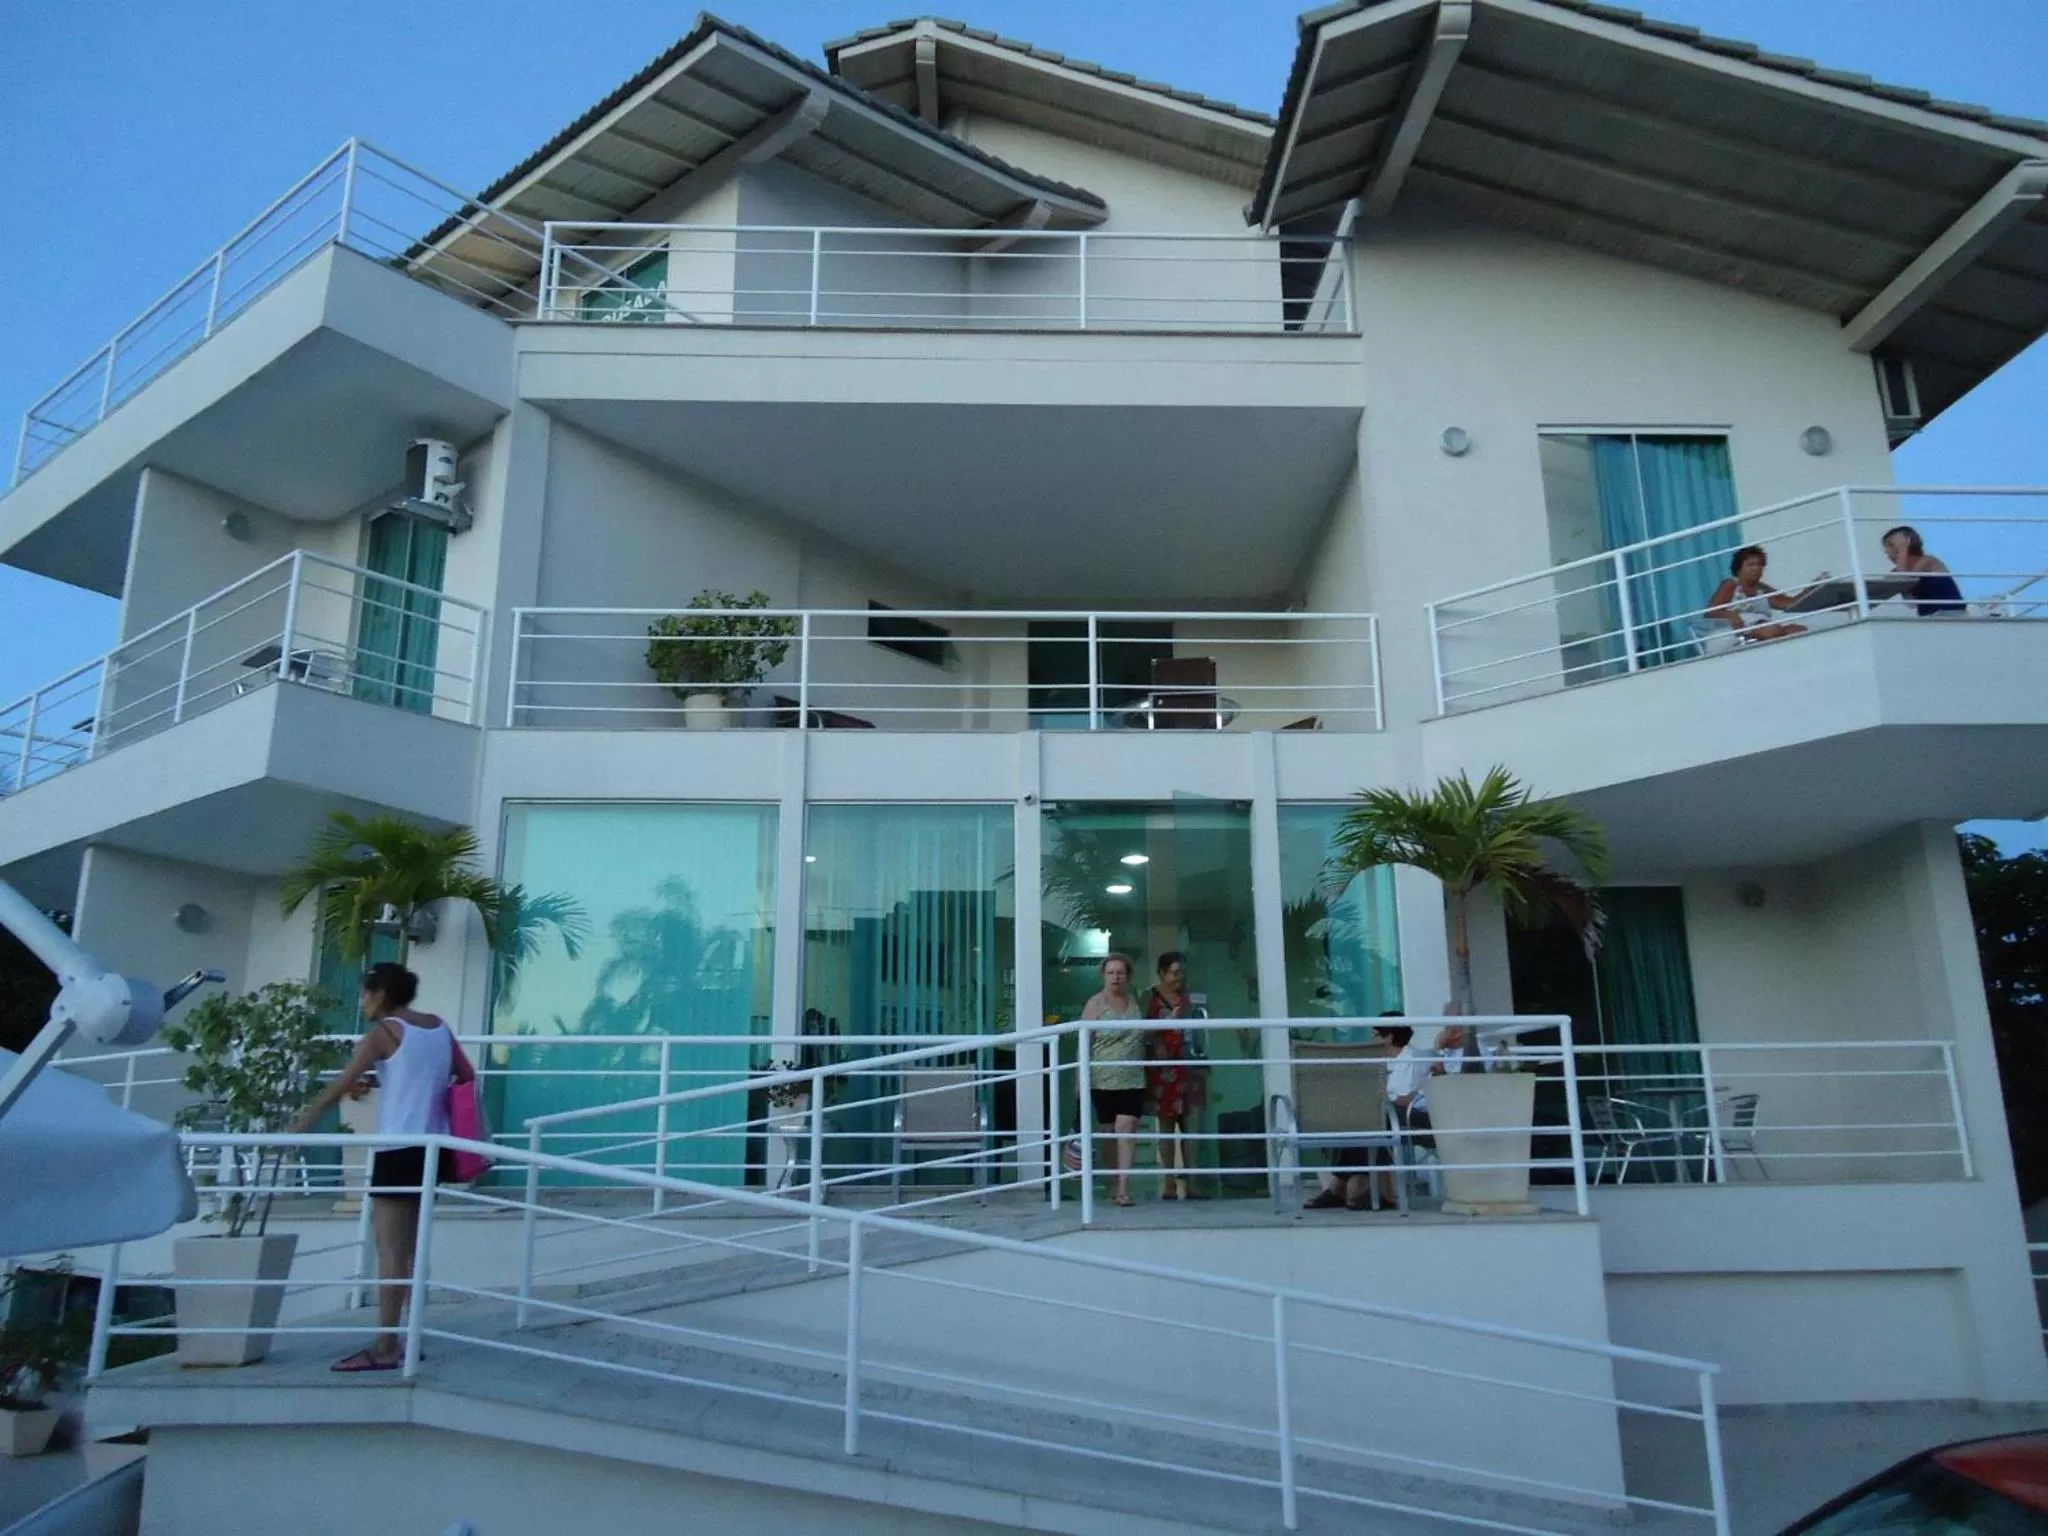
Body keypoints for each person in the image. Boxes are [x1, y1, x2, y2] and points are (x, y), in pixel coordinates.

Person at [292, 961, 473, 1372]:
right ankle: (404, 1339)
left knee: (389, 1251)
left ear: (379, 993)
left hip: (396, 1148)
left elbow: (339, 1085)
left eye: (365, 993)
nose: (362, 1002)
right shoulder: (438, 1026)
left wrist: (304, 1122)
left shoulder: (383, 1033)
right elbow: (465, 1075)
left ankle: (386, 1347)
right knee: (407, 1251)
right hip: (434, 1147)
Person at [1305, 1009, 1406, 1212]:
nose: (1371, 1038)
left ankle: (1341, 1188)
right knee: (1353, 1118)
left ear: (1389, 1037)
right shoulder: (1380, 1061)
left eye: (1376, 1033)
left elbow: (1403, 1097)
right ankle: (1349, 1187)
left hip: (1396, 1112)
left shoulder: (1409, 1060)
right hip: (1378, 1111)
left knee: (1366, 1121)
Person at [1082, 953, 1146, 1208]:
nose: (1116, 977)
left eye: (1120, 972)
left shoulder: (1134, 1001)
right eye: (1111, 973)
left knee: (1127, 1128)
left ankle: (1123, 1188)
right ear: (1103, 975)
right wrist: (1080, 1077)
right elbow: (1083, 1041)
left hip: (1133, 1077)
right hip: (1103, 1079)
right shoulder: (1095, 1003)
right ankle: (1112, 1180)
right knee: (1109, 1132)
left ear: (1127, 976)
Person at [1144, 952, 1208, 1201]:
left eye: (1182, 972)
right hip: (1164, 1071)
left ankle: (1191, 1181)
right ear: (1162, 974)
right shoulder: (1149, 998)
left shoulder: (1194, 999)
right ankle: (1169, 1181)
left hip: (1192, 1069)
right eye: (1174, 972)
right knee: (1166, 1128)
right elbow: (1141, 1033)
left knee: (1192, 1127)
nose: (1179, 977)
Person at [1705, 545, 1828, 643]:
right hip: (1740, 631)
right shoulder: (1731, 584)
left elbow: (1789, 604)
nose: (1756, 568)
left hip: (1767, 628)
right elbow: (1711, 612)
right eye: (1751, 564)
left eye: (1760, 565)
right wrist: (1732, 616)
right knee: (1772, 630)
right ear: (1739, 568)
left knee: (1799, 630)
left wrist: (1812, 588)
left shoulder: (1762, 588)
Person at [1881, 525, 1965, 616]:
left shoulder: (1928, 561)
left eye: (1891, 545)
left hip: (1951, 614)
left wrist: (1902, 549)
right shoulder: (1897, 572)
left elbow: (1905, 579)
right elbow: (1884, 588)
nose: (1886, 551)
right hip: (1928, 617)